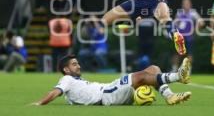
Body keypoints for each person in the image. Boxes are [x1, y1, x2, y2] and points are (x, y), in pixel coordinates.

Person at [31, 54, 191, 106]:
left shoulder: (73, 82)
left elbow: (71, 97)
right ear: (66, 70)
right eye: (74, 64)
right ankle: (178, 76)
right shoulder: (66, 79)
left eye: (77, 63)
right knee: (140, 77)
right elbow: (55, 92)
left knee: (154, 69)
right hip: (106, 95)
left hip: (110, 89)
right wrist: (39, 103)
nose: (78, 66)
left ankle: (169, 96)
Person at [172, 0, 204, 72]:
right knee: (177, 53)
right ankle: (174, 69)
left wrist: (196, 29)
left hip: (189, 37)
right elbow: (175, 23)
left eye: (187, 3)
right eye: (184, 3)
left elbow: (201, 22)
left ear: (190, 4)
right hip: (180, 37)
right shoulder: (179, 13)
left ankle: (188, 70)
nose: (186, 5)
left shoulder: (193, 13)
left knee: (190, 54)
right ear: (182, 5)